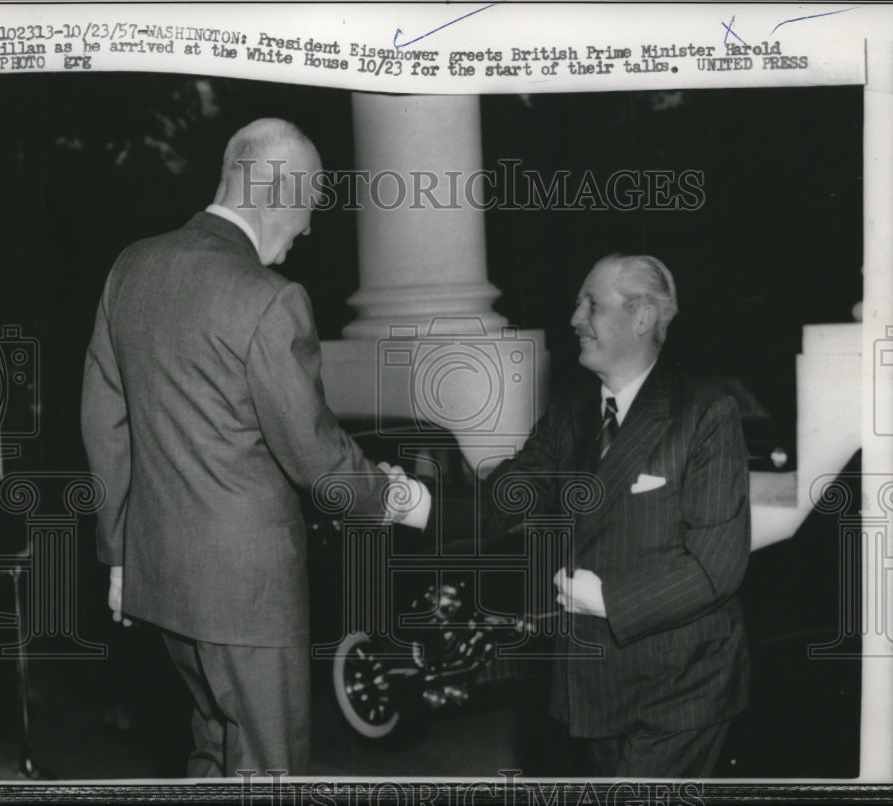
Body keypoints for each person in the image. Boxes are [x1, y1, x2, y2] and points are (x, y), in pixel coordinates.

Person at [81, 118, 428, 777]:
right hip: (247, 598)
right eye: (311, 202)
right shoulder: (270, 300)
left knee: (214, 751)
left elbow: (105, 421)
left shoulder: (132, 267)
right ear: (275, 189)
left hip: (160, 584)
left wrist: (120, 556)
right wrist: (399, 501)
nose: (309, 226)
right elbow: (317, 458)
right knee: (269, 771)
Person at [481, 254, 750, 777]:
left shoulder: (705, 412)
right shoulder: (569, 412)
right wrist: (411, 501)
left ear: (643, 317)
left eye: (592, 304)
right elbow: (506, 498)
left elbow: (717, 566)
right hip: (595, 684)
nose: (575, 319)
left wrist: (606, 599)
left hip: (682, 685)